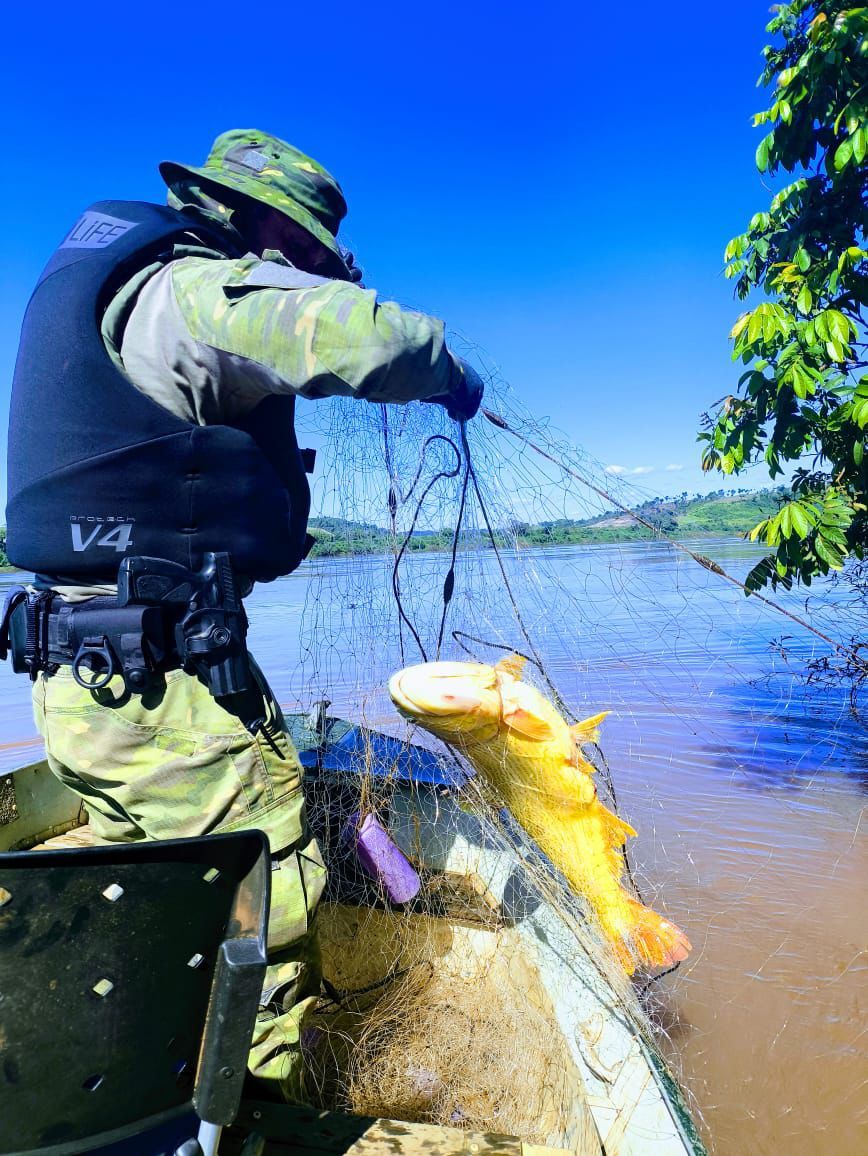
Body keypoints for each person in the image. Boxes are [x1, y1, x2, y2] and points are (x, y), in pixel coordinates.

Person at [2, 128, 483, 1103]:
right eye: (303, 257)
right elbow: (365, 339)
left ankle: (145, 1078)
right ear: (261, 227)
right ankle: (257, 1117)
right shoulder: (191, 287)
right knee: (268, 904)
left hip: (93, 679)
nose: (303, 275)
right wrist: (450, 371)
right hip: (160, 683)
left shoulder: (114, 284)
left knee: (161, 898)